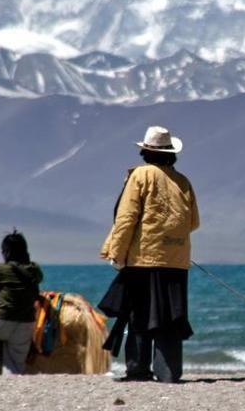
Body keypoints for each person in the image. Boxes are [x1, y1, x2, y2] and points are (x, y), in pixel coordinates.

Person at [99, 125, 200, 383]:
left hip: (143, 259)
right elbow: (193, 222)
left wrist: (117, 252)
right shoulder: (183, 180)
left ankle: (138, 369)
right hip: (176, 262)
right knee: (170, 317)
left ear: (146, 152)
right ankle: (169, 373)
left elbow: (126, 217)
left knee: (140, 314)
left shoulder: (141, 175)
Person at [0, 230, 43, 375]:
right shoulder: (35, 270)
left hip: (1, 324)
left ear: (6, 251)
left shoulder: (1, 269)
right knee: (15, 367)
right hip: (26, 325)